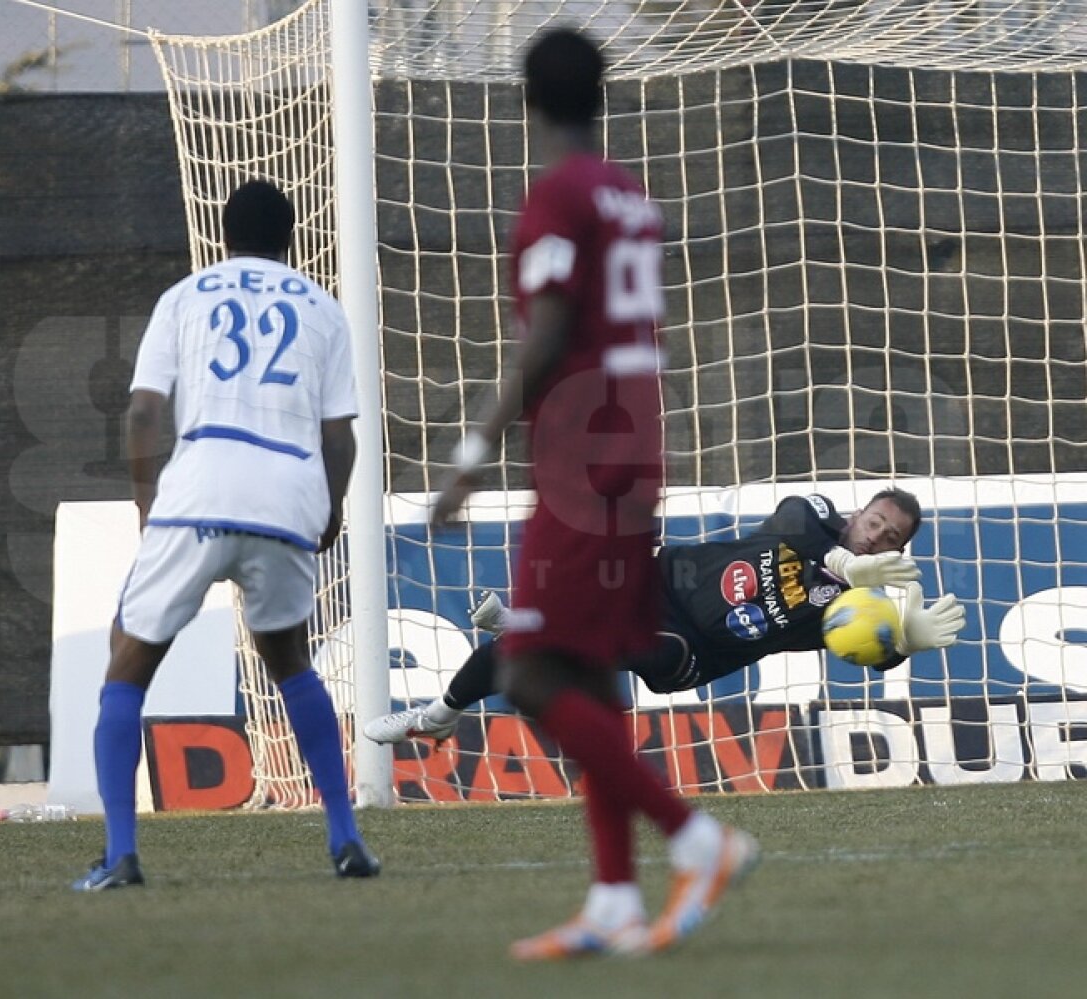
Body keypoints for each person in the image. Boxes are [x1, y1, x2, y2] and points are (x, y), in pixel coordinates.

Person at [429, 27, 753, 959]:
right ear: (601, 96)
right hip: (633, 441)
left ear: (526, 101)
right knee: (590, 670)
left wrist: (472, 449)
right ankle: (614, 899)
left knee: (528, 667)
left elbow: (546, 332)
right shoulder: (627, 193)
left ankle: (698, 838)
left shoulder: (559, 195)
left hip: (583, 456)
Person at [72, 180, 379, 891]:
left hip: (200, 490)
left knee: (127, 660)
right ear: (291, 239)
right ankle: (345, 836)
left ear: (223, 236)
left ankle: (120, 853)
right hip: (287, 496)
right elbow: (340, 436)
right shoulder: (323, 308)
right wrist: (330, 508)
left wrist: (146, 501)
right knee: (290, 660)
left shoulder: (185, 296)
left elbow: (144, 412)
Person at [367, 489, 966, 743]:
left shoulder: (859, 605)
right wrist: (844, 561)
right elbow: (794, 523)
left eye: (890, 537)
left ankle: (535, 625)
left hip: (692, 647)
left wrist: (906, 640)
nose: (876, 536)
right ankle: (439, 715)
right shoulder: (816, 513)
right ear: (857, 514)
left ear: (898, 550)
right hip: (659, 579)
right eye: (874, 522)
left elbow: (872, 649)